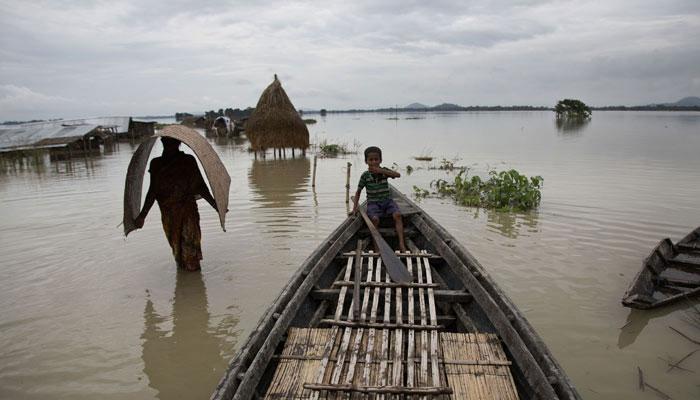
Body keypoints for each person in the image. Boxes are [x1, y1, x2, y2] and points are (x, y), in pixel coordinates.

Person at [134, 137, 218, 271]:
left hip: (187, 210)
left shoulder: (188, 161)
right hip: (169, 212)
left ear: (178, 144)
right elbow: (152, 191)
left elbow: (200, 186)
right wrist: (142, 215)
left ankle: (193, 282)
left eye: (172, 143)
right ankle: (186, 280)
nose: (169, 145)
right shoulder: (156, 164)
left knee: (190, 246)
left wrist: (215, 205)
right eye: (166, 142)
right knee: (177, 247)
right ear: (162, 143)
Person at [351, 146, 407, 252]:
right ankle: (377, 246)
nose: (374, 162)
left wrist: (381, 171)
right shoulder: (365, 176)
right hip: (373, 203)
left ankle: (401, 244)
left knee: (398, 215)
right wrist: (354, 209)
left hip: (387, 201)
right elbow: (358, 192)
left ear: (380, 160)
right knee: (375, 219)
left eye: (376, 159)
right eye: (371, 160)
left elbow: (397, 175)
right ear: (366, 161)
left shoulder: (384, 172)